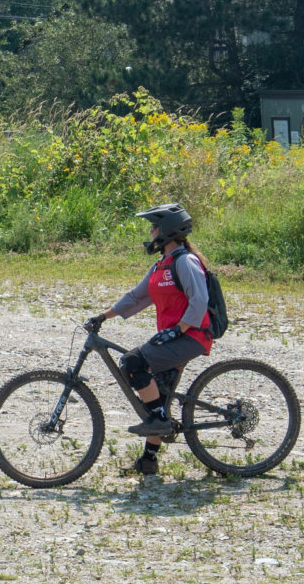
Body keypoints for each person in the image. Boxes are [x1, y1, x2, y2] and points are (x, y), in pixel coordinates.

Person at [88, 202, 211, 477]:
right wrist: (103, 317)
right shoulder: (162, 265)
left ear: (166, 230)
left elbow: (200, 300)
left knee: (133, 362)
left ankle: (159, 419)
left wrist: (179, 329)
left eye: (154, 227)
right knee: (158, 392)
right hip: (172, 337)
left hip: (191, 337)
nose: (151, 232)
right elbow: (137, 297)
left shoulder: (185, 261)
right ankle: (149, 460)